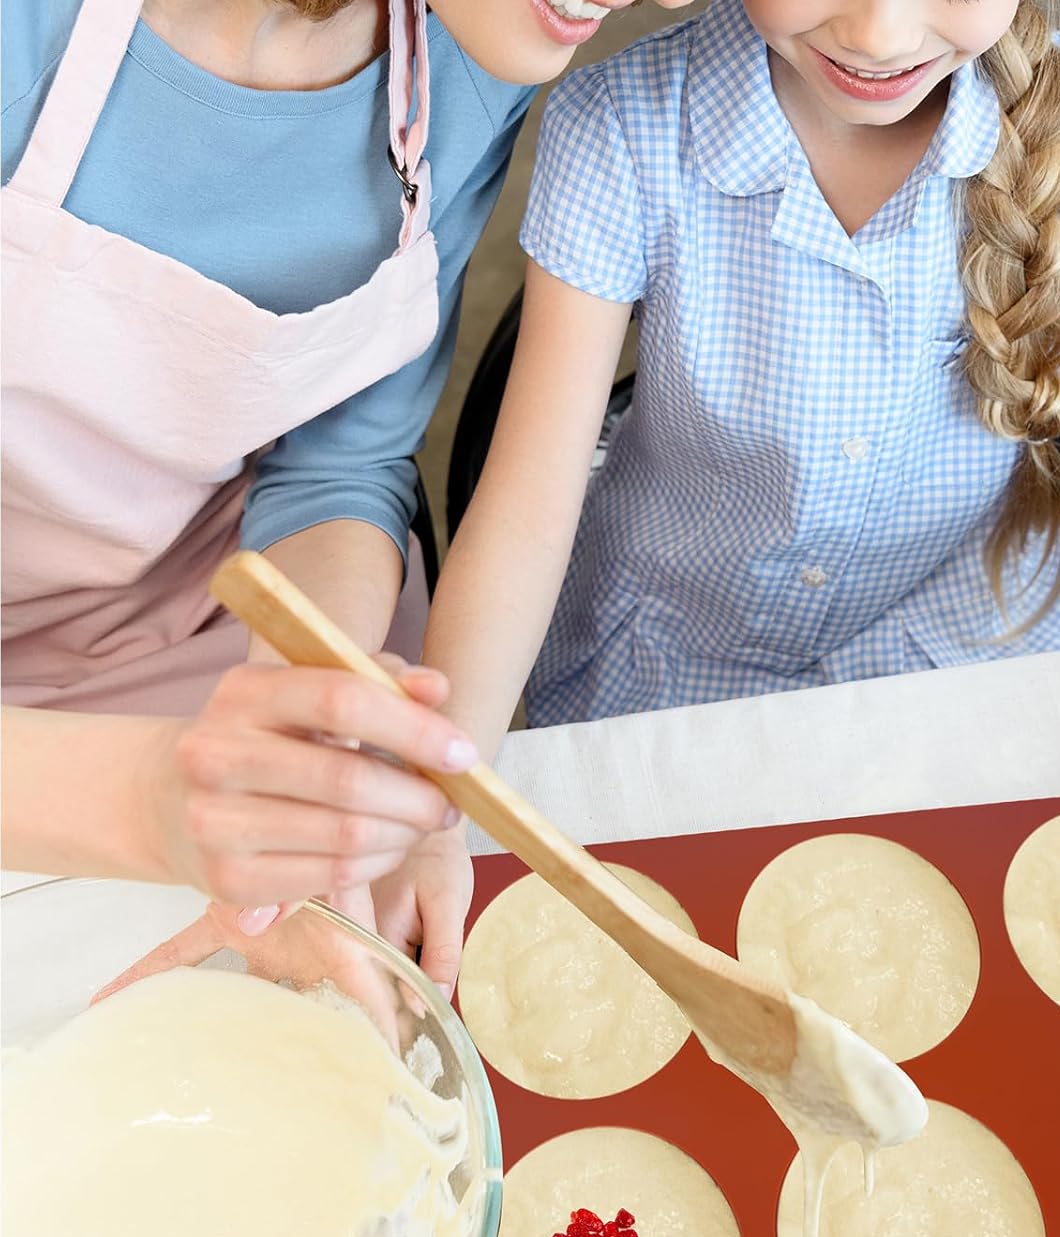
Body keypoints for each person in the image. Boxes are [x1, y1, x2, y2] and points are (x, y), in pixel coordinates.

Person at [408, 0, 1060, 981]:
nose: (879, 35)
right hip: (669, 671)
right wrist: (435, 812)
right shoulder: (620, 123)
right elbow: (524, 517)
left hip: (975, 663)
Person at [0, 0, 684, 925]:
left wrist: (308, 735)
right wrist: (149, 802)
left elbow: (338, 469)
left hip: (214, 630)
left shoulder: (473, 59)